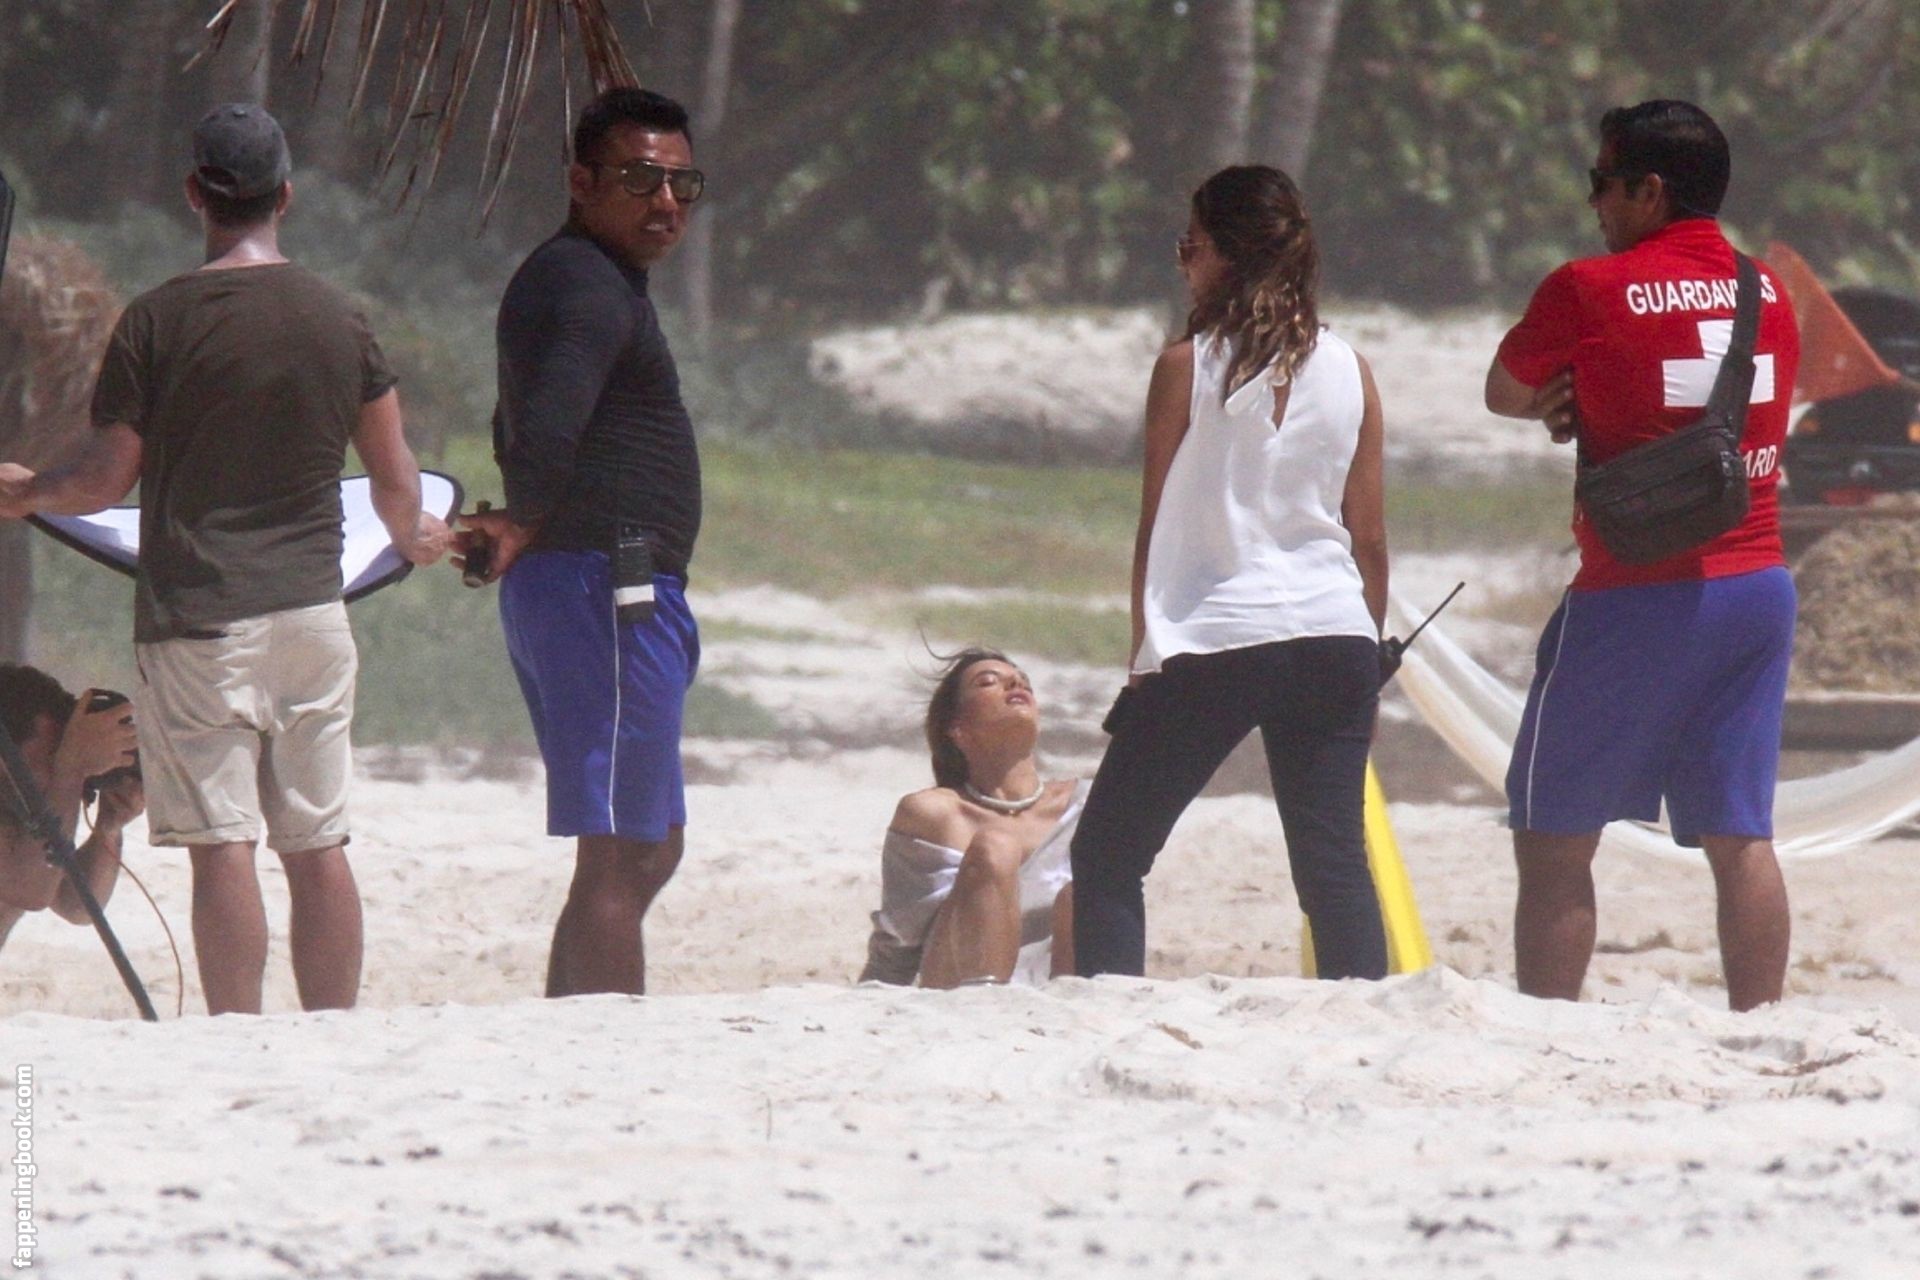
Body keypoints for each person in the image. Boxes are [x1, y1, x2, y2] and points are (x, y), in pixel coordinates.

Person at [0, 104, 448, 1014]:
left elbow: (105, 480)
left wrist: (30, 491)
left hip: (199, 620)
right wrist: (416, 539)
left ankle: (237, 1033)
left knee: (222, 844)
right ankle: (334, 1030)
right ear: (285, 195)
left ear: (194, 195)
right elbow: (395, 480)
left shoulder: (156, 322)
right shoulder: (340, 318)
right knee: (318, 844)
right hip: (315, 615)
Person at [1484, 100, 1800, 1012]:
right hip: (1758, 584)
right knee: (1741, 837)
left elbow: (1505, 389)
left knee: (1554, 834)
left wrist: (1562, 400)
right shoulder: (1769, 291)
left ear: (1649, 191)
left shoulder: (1587, 287)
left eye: (1602, 183)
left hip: (1634, 593)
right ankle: (1759, 1025)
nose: (1594, 203)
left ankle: (1547, 1025)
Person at [1069, 166, 1391, 981]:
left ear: (1227, 255)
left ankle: (1110, 1013)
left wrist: (1142, 651)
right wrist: (1372, 652)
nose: (1185, 264)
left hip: (1219, 631)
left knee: (1109, 854)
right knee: (1334, 869)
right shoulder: (1353, 369)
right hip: (1335, 631)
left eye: (1192, 247)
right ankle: (1363, 1021)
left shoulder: (1186, 366)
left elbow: (1156, 522)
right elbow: (1369, 536)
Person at [455, 88, 705, 998]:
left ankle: (566, 1030)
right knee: (623, 851)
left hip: (599, 587)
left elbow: (523, 417)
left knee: (649, 845)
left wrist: (524, 520)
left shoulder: (579, 280)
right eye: (640, 179)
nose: (665, 201)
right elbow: (551, 421)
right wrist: (523, 519)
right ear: (581, 182)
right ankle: (602, 1047)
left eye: (681, 184)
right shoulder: (589, 286)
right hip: (603, 589)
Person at [861, 649, 1086, 988]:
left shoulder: (1083, 805)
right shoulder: (935, 813)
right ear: (957, 727)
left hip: (1062, 992)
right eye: (988, 682)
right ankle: (988, 997)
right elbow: (897, 946)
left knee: (1085, 891)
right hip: (956, 988)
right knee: (995, 849)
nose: (1015, 683)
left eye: (1023, 680)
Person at [0, 666, 141, 951]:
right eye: (53, 756)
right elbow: (31, 890)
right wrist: (71, 769)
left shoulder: (22, 807)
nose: (57, 767)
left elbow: (76, 906)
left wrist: (108, 828)